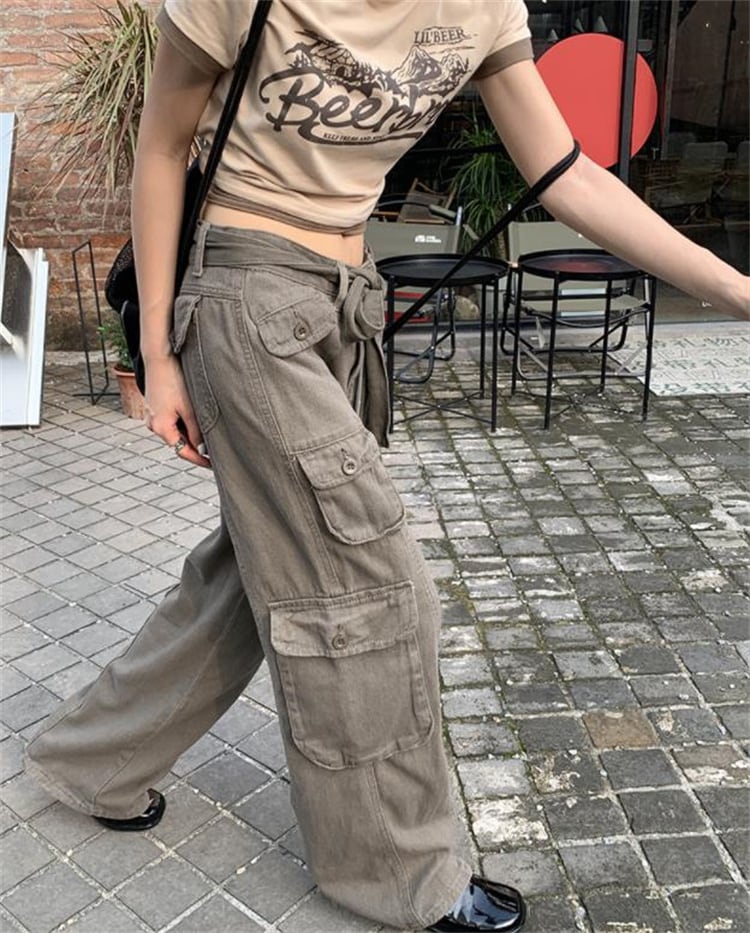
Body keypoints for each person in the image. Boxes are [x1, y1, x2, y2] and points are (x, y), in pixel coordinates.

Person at [25, 2, 749, 931]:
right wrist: (160, 353)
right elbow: (162, 149)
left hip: (346, 300)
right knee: (372, 588)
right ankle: (401, 872)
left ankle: (94, 762)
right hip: (244, 295)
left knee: (261, 563)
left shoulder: (482, 8)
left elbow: (566, 173)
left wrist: (732, 286)